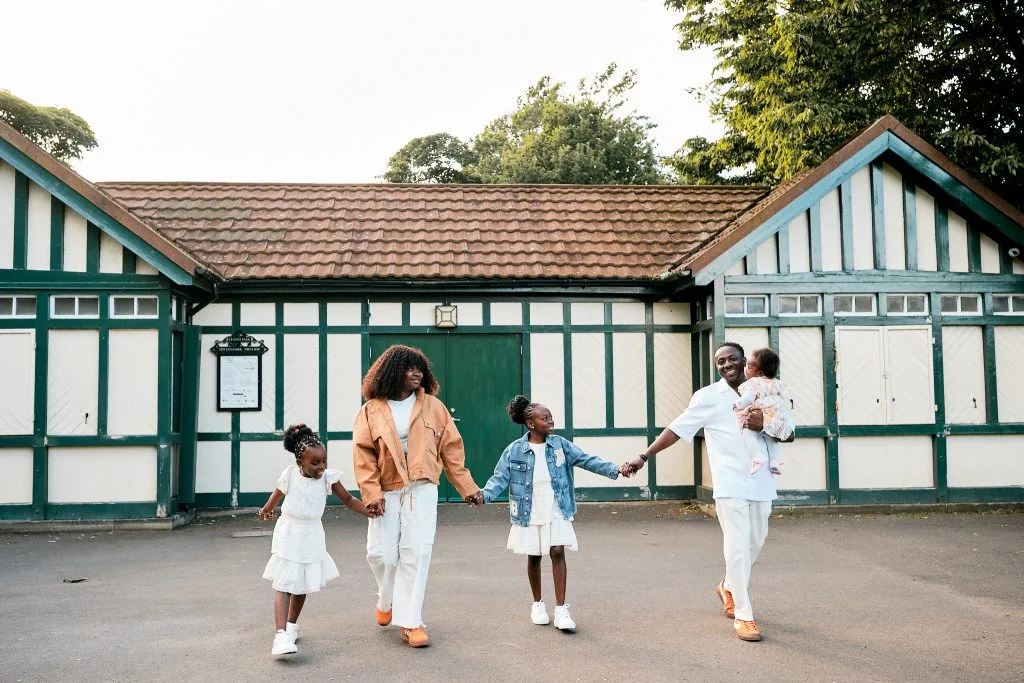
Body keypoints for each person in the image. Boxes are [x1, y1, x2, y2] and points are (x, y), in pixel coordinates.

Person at [623, 341, 794, 643]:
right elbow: (677, 428)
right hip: (730, 482)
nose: (726, 365)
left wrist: (763, 423)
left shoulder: (766, 389)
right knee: (738, 545)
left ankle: (728, 585)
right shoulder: (708, 397)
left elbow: (790, 432)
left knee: (756, 541)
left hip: (762, 480)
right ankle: (744, 614)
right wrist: (643, 457)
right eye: (720, 362)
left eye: (732, 359)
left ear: (745, 362)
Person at [352, 344, 484, 648]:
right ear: (392, 371)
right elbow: (363, 454)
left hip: (422, 488)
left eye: (420, 368)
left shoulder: (434, 407)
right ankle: (386, 600)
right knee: (381, 554)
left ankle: (411, 622)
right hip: (386, 490)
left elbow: (451, 450)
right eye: (409, 368)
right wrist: (371, 492)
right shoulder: (371, 409)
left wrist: (467, 488)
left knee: (418, 552)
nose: (416, 373)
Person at [480, 395, 631, 631]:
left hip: (556, 504)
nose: (551, 421)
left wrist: (616, 469)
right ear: (531, 424)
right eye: (545, 418)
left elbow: (586, 459)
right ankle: (537, 604)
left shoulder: (560, 444)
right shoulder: (514, 450)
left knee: (557, 550)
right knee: (534, 553)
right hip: (529, 506)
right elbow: (499, 478)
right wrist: (484, 495)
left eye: (551, 417)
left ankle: (561, 610)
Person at [258, 424, 371, 658]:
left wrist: (369, 512)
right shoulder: (290, 474)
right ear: (300, 463)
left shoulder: (328, 478)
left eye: (324, 461)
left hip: (312, 532)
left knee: (302, 583)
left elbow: (349, 500)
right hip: (290, 531)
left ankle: (291, 626)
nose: (321, 467)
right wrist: (267, 510)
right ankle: (280, 635)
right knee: (285, 582)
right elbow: (276, 495)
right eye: (315, 463)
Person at [733, 347, 794, 475]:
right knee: (771, 440)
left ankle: (757, 457)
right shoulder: (777, 384)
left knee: (748, 434)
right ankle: (775, 462)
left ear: (760, 372)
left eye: (749, 367)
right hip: (775, 415)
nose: (745, 370)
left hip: (763, 416)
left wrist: (737, 405)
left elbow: (749, 398)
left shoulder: (754, 383)